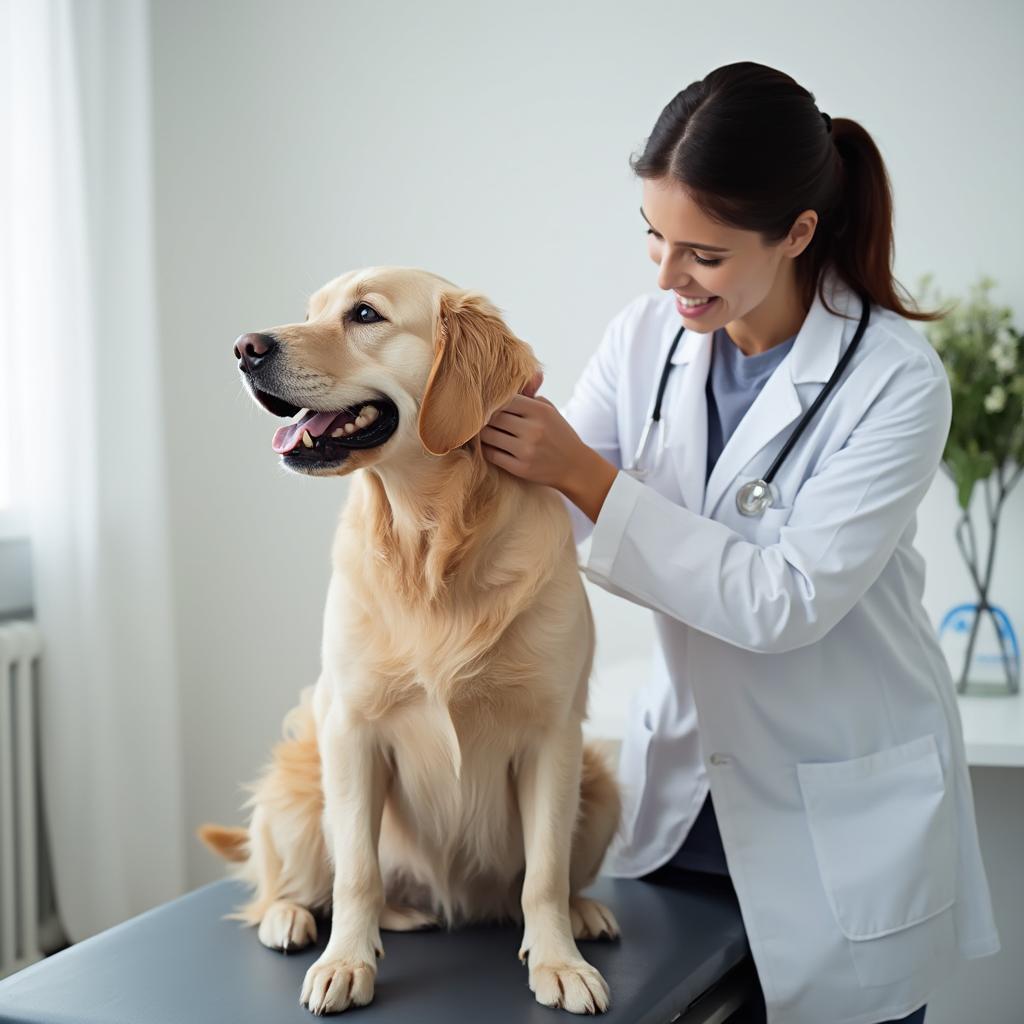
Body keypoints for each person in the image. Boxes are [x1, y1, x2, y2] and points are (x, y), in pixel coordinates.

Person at [479, 61, 1001, 1024]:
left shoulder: (896, 379)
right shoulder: (645, 338)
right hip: (680, 814)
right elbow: (536, 505)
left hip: (840, 817)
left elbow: (785, 600)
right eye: (654, 237)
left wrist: (589, 477)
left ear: (798, 233)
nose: (669, 274)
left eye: (704, 255)